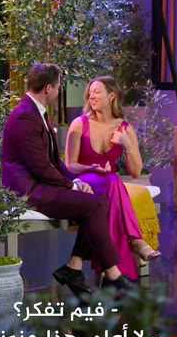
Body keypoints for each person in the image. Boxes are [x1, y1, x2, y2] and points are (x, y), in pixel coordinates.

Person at [1, 64, 136, 296]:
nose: (58, 91)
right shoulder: (25, 116)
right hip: (28, 190)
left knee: (98, 201)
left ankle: (74, 267)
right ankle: (113, 274)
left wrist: (76, 181)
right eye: (58, 87)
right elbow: (41, 166)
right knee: (95, 205)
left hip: (41, 183)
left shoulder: (38, 113)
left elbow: (54, 161)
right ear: (48, 88)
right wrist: (71, 185)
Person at [64, 76, 161, 282]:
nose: (92, 96)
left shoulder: (125, 129)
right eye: (90, 92)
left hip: (108, 184)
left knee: (111, 183)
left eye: (97, 92)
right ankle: (136, 241)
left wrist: (127, 144)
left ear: (111, 96)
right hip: (84, 180)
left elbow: (135, 172)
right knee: (113, 182)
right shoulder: (79, 124)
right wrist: (91, 167)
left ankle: (109, 269)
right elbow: (70, 165)